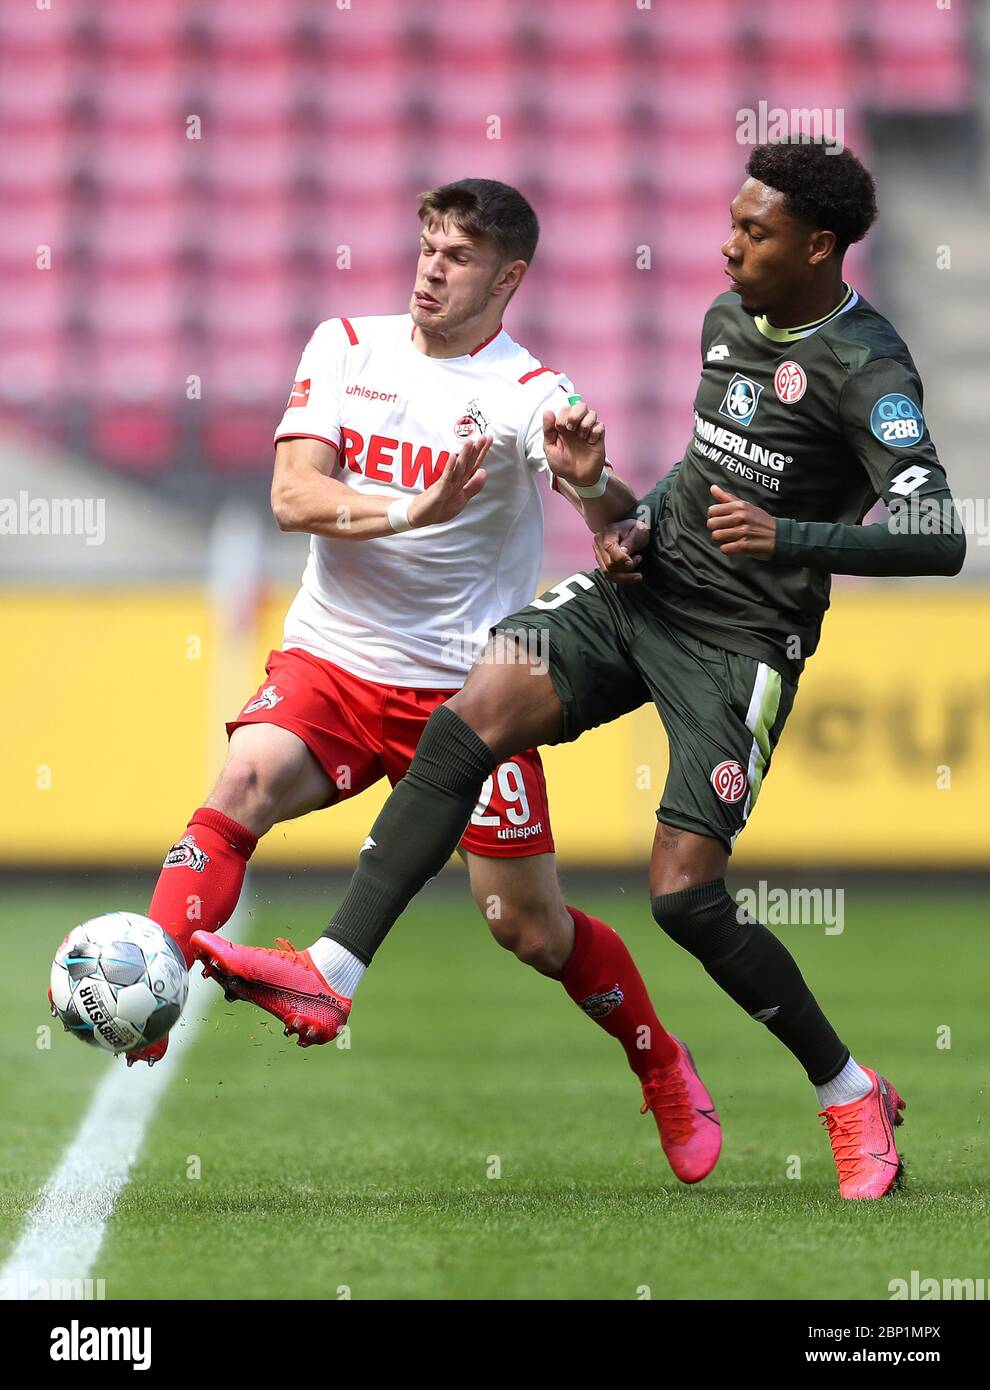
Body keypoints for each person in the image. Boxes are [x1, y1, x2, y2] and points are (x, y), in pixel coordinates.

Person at [197, 140, 964, 1199]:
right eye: (732, 222)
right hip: (642, 589)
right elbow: (707, 475)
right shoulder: (726, 318)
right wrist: (623, 509)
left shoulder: (868, 367)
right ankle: (332, 975)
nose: (728, 243)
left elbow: (939, 536)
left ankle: (847, 1090)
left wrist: (790, 540)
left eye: (755, 231)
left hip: (740, 640)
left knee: (685, 899)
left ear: (820, 246)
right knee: (473, 713)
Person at [137, 178, 723, 1186]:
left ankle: (663, 1063)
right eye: (427, 247)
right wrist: (411, 509)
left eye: (457, 256)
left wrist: (590, 480)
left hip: (469, 692)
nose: (432, 269)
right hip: (333, 658)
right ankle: (145, 986)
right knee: (240, 783)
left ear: (509, 279)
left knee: (527, 929)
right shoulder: (346, 346)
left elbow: (614, 529)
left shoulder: (530, 392)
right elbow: (292, 494)